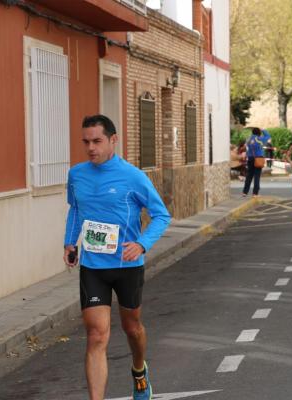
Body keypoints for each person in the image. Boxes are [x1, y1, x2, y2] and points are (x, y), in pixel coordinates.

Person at [63, 115, 171, 400]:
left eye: (97, 141)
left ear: (113, 140)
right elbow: (75, 209)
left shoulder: (133, 176)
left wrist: (142, 244)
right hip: (93, 266)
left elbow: (161, 215)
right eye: (86, 142)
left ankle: (139, 370)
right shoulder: (76, 174)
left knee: (131, 327)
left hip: (127, 266)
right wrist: (69, 243)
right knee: (97, 335)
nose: (90, 148)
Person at [242, 127, 265, 197]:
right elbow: (268, 136)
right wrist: (263, 130)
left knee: (249, 176)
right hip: (258, 159)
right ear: (259, 133)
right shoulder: (259, 139)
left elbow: (246, 147)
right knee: (257, 176)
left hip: (250, 158)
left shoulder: (248, 139)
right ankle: (255, 193)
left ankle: (245, 192)